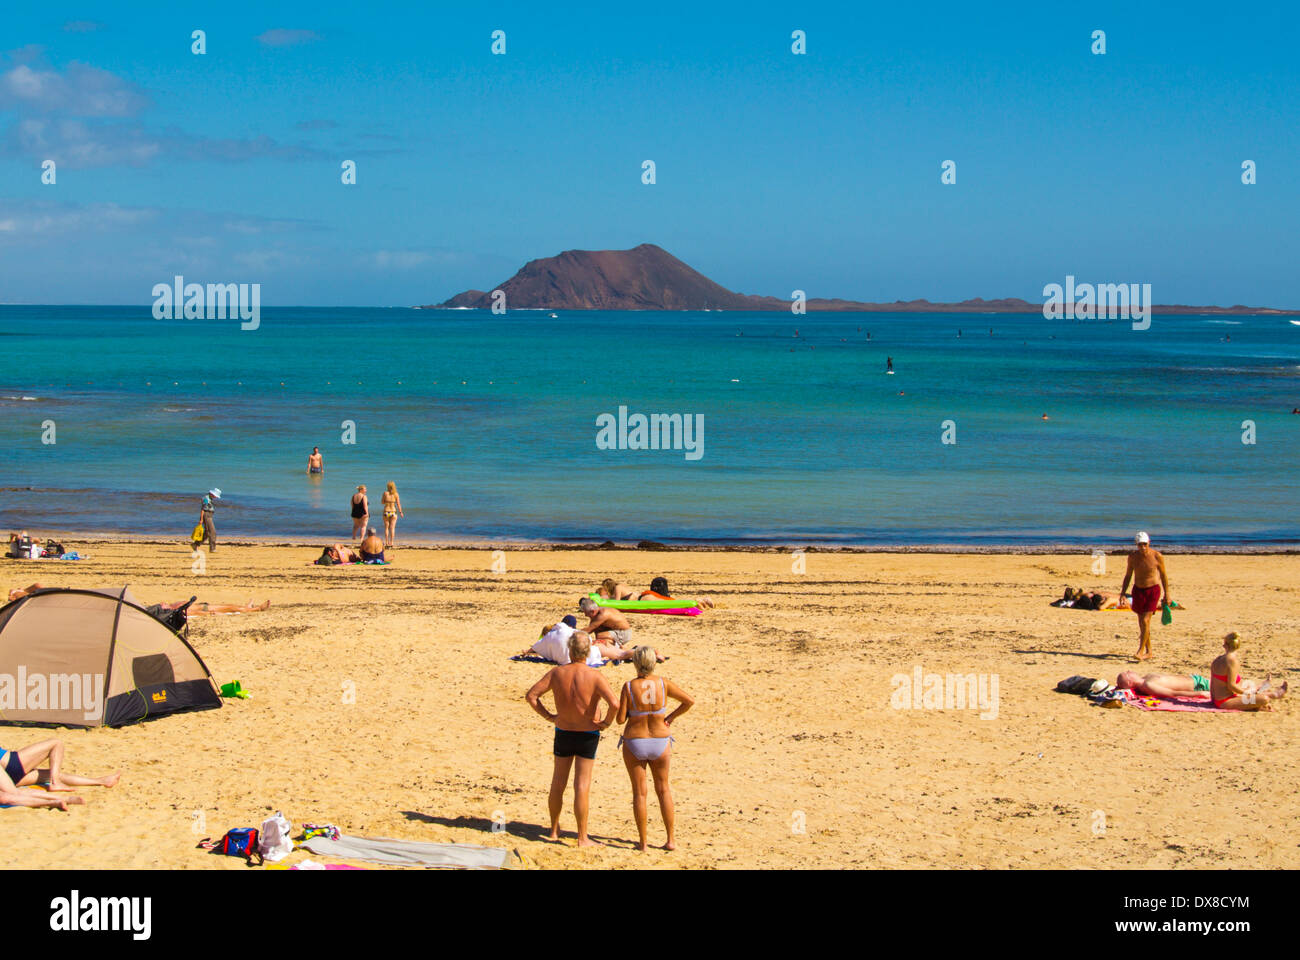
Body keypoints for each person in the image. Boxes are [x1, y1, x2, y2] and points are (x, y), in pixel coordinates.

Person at [525, 631, 619, 846]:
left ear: (569, 650)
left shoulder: (558, 673)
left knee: (558, 782)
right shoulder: (595, 675)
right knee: (582, 785)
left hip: (564, 730)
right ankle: (582, 837)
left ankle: (554, 830)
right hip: (587, 732)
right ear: (588, 652)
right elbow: (614, 703)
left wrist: (549, 716)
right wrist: (606, 722)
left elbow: (531, 696)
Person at [615, 646, 693, 852]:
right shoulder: (662, 683)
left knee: (640, 793)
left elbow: (620, 719)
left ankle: (643, 842)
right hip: (660, 740)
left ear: (635, 663)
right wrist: (670, 717)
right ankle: (671, 839)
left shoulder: (629, 687)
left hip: (635, 740)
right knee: (663, 789)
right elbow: (689, 701)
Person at [0, 739, 121, 810]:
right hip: (11, 765)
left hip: (8, 772)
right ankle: (57, 785)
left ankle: (100, 781)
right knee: (56, 744)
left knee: (51, 774)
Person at [1119, 531, 1170, 661]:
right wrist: (1123, 592)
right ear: (1136, 545)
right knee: (1142, 624)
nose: (1142, 547)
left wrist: (1167, 595)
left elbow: (1163, 576)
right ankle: (1149, 651)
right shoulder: (1133, 557)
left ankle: (1140, 651)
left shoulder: (1157, 556)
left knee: (1145, 621)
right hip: (1138, 590)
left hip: (1153, 590)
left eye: (1144, 544)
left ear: (1149, 543)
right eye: (1140, 545)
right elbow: (1128, 575)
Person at [1209, 632, 1287, 711]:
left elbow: (1212, 683)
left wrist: (1212, 701)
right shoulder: (1232, 661)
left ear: (1224, 645)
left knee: (1250, 687)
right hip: (1225, 701)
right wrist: (1247, 693)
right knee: (1264, 699)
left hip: (1217, 700)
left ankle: (1273, 694)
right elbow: (1231, 686)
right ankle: (1272, 695)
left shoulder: (1217, 660)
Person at [1116, 670, 1212, 698]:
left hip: (1196, 680)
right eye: (1127, 673)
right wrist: (1199, 694)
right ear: (1129, 682)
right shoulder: (1147, 685)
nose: (1129, 670)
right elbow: (1172, 693)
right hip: (1198, 685)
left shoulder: (1145, 678)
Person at [381, 481, 403, 548]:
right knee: (392, 528)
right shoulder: (396, 494)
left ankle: (387, 542)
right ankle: (392, 542)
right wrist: (401, 512)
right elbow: (398, 504)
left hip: (386, 511)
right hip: (393, 512)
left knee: (386, 528)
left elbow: (382, 502)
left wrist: (386, 501)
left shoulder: (385, 493)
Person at [198, 488, 220, 553]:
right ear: (212, 494)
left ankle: (196, 544)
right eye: (215, 495)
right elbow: (202, 509)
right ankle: (212, 549)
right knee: (213, 532)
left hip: (209, 515)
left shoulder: (209, 498)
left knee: (207, 533)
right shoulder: (206, 499)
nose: (216, 497)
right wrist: (201, 519)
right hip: (207, 516)